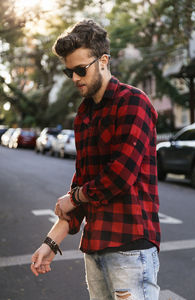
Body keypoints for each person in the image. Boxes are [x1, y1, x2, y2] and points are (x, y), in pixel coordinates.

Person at [31, 19, 161, 300]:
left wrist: (75, 197)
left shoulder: (133, 103)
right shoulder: (84, 114)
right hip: (95, 248)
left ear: (103, 60)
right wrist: (51, 243)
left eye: (81, 70)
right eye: (70, 73)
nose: (76, 78)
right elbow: (84, 183)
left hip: (130, 247)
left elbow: (119, 176)